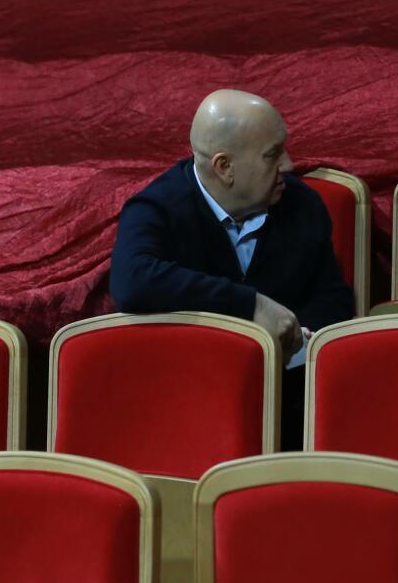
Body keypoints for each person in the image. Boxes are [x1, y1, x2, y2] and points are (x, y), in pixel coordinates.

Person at [110, 89, 354, 446]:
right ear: (224, 167)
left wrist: (293, 338)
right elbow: (132, 281)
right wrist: (251, 306)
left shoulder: (303, 205)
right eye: (273, 154)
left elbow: (333, 300)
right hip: (187, 409)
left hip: (290, 410)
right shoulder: (157, 209)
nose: (288, 164)